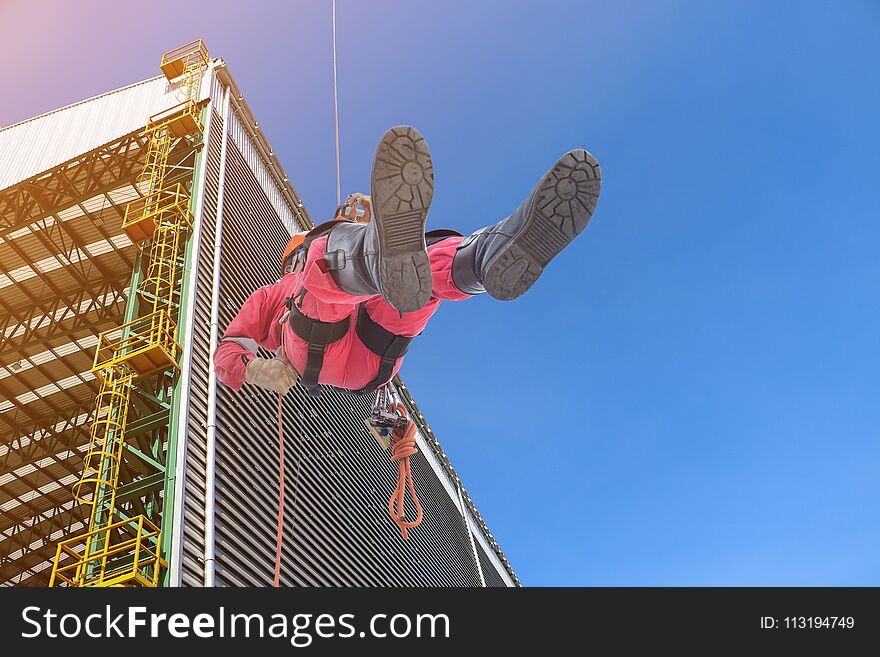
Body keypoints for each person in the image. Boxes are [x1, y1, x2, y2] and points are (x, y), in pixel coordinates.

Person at [213, 125, 602, 397]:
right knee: (326, 269)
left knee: (420, 274)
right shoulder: (279, 292)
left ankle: (485, 258)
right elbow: (226, 351)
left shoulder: (284, 289)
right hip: (334, 352)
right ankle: (378, 258)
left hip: (368, 351)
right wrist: (254, 370)